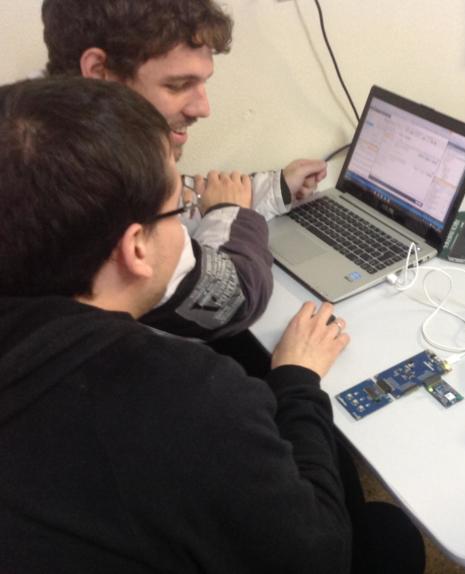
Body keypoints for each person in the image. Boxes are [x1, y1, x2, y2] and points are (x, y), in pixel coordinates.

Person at [0, 76, 423, 573]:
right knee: (390, 536)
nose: (188, 223)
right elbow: (320, 556)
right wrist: (296, 379)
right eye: (180, 210)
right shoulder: (189, 400)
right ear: (136, 248)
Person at [40, 0, 329, 340]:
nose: (203, 108)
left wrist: (273, 188)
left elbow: (181, 199)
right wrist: (230, 211)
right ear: (100, 72)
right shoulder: (87, 195)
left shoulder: (52, 131)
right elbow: (232, 298)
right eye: (177, 85)